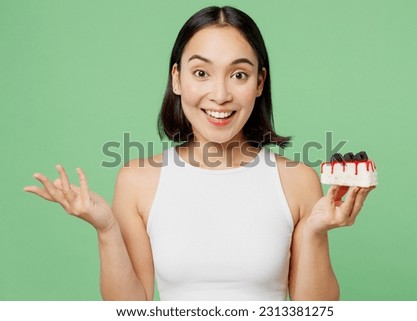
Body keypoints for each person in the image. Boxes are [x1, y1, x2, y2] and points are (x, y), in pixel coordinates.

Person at [24, 6, 374, 301]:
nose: (219, 94)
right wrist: (106, 229)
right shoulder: (137, 181)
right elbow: (131, 311)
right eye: (201, 73)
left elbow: (314, 312)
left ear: (259, 83)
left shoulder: (297, 180)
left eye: (238, 74)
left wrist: (314, 231)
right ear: (177, 79)